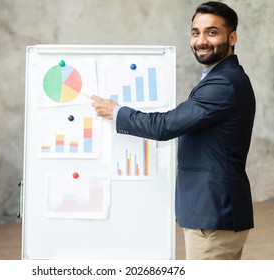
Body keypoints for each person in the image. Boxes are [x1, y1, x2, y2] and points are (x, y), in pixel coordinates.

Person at [91, 1, 255, 260]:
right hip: (212, 212)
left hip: (212, 217)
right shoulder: (220, 77)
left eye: (212, 32)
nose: (201, 40)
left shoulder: (223, 83)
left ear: (232, 37)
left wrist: (117, 112)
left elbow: (165, 126)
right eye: (195, 32)